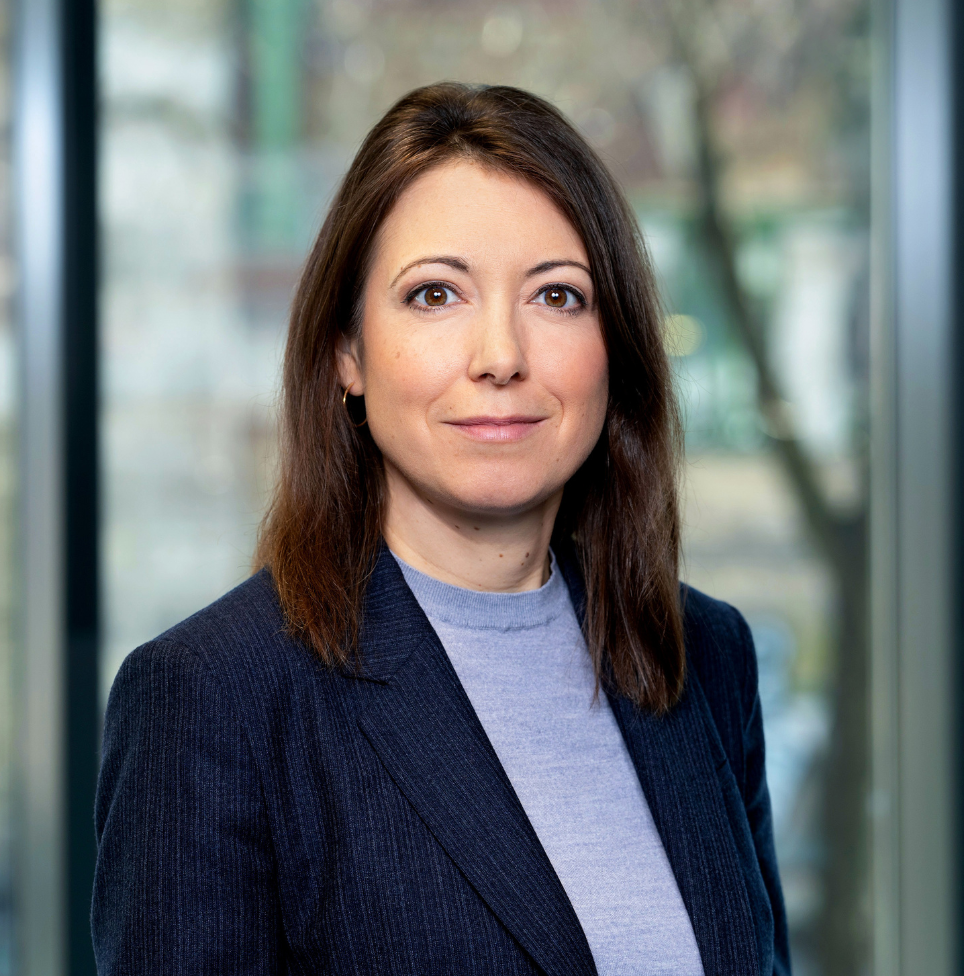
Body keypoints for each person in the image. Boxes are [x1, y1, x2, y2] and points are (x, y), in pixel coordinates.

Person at [92, 82, 789, 976]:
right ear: (347, 352)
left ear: (615, 348)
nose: (500, 356)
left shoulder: (705, 655)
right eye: (434, 295)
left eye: (557, 296)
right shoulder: (211, 698)